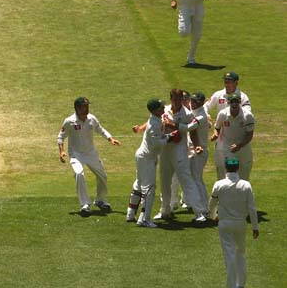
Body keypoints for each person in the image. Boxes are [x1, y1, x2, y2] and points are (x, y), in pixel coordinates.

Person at [58, 97, 121, 217]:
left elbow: (100, 130)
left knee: (103, 176)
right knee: (79, 174)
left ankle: (100, 200)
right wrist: (61, 152)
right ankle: (84, 205)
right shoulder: (69, 121)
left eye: (87, 106)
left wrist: (110, 138)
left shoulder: (92, 119)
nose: (86, 108)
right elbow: (60, 137)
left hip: (91, 153)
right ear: (77, 108)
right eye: (84, 106)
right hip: (76, 154)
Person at [208, 157, 259, 288]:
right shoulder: (246, 185)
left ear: (226, 168)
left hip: (225, 224)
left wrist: (213, 216)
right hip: (240, 224)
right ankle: (241, 285)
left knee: (229, 256)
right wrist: (255, 227)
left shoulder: (219, 184)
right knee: (240, 253)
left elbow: (211, 204)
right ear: (237, 168)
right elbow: (252, 208)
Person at [154, 89, 208, 222]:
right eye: (175, 99)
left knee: (186, 179)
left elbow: (193, 131)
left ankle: (199, 212)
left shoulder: (187, 113)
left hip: (179, 150)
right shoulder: (164, 110)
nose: (177, 101)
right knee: (165, 180)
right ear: (171, 98)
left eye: (180, 99)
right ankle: (165, 210)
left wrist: (196, 145)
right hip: (166, 148)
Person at [126, 99, 175, 227]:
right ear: (155, 110)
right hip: (147, 157)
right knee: (149, 189)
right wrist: (170, 136)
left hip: (143, 156)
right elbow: (156, 144)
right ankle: (144, 219)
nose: (163, 107)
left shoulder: (154, 119)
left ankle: (131, 213)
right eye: (160, 106)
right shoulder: (154, 124)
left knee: (139, 184)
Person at [211, 93, 255, 180]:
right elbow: (217, 127)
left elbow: (249, 135)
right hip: (227, 149)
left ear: (240, 102)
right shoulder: (222, 114)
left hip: (243, 149)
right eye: (232, 102)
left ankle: (243, 193)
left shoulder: (248, 116)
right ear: (228, 102)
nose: (234, 104)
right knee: (225, 177)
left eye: (236, 102)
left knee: (244, 177)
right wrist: (215, 134)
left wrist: (239, 145)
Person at [189, 91, 211, 210]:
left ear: (201, 102)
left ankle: (205, 208)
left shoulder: (201, 116)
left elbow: (188, 128)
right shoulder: (196, 112)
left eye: (195, 101)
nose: (192, 103)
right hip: (194, 150)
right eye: (192, 100)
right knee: (195, 178)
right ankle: (202, 206)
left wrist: (171, 123)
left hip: (200, 152)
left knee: (197, 179)